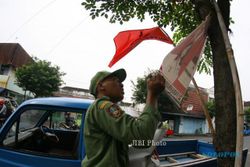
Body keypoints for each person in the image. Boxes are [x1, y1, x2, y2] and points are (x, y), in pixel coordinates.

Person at [82, 68, 165, 167]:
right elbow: (142, 135)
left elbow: (138, 140)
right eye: (116, 81)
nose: (121, 84)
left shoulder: (100, 108)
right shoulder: (104, 106)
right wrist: (152, 94)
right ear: (101, 86)